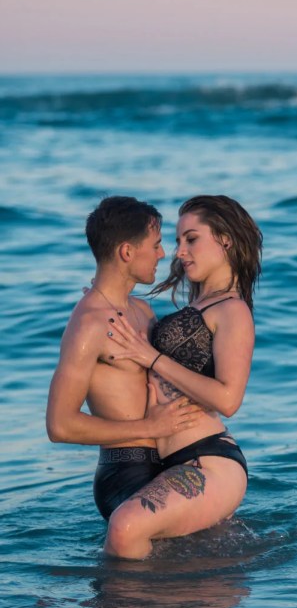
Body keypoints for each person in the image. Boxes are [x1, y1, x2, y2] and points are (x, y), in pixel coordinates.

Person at [102, 195, 262, 559]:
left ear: (225, 240)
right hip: (172, 460)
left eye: (191, 239)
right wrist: (104, 302)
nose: (179, 252)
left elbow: (228, 399)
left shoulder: (233, 310)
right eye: (177, 242)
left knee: (125, 528)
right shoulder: (200, 304)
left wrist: (153, 357)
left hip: (207, 459)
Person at [46, 196, 203, 521]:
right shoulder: (89, 324)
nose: (163, 254)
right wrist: (149, 426)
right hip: (124, 472)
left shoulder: (141, 310)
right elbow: (60, 425)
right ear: (127, 252)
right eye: (156, 245)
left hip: (165, 460)